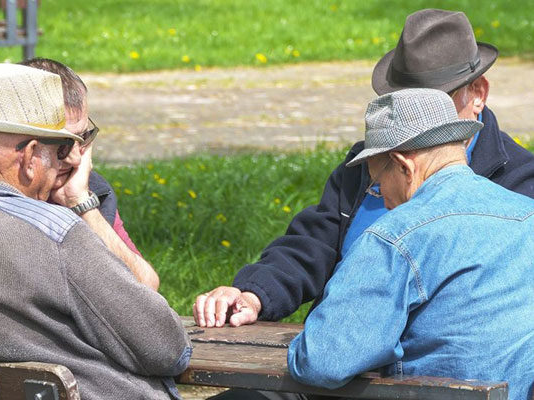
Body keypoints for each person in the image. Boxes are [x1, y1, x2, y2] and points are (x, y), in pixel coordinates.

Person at [193, 8, 534, 328]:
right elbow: (315, 243)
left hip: (431, 369)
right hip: (333, 354)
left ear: (478, 94)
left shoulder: (519, 184)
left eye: (437, 103)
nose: (420, 122)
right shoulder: (372, 161)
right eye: (408, 103)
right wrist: (254, 294)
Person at [0, 63, 191, 400]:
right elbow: (168, 348)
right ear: (31, 156)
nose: (72, 160)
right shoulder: (57, 234)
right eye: (62, 148)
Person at [287, 88, 534, 400]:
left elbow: (324, 361)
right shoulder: (527, 215)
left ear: (404, 166)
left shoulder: (396, 238)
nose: (383, 199)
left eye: (377, 185)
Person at [0, 58, 160, 290]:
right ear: (25, 143)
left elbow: (144, 290)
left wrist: (82, 206)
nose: (75, 158)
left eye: (84, 138)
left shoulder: (84, 188)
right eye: (62, 145)